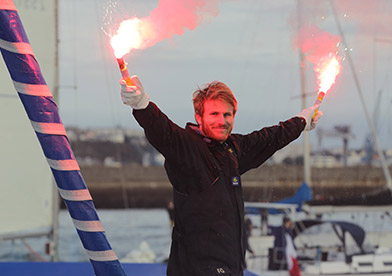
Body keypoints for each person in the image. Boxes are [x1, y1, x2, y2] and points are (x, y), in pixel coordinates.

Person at [119, 76, 322, 276]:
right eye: (214, 114)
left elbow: (270, 138)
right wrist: (141, 104)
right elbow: (161, 129)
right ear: (199, 118)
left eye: (227, 115)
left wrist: (302, 121)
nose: (222, 121)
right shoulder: (186, 149)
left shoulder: (232, 149)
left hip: (232, 267)